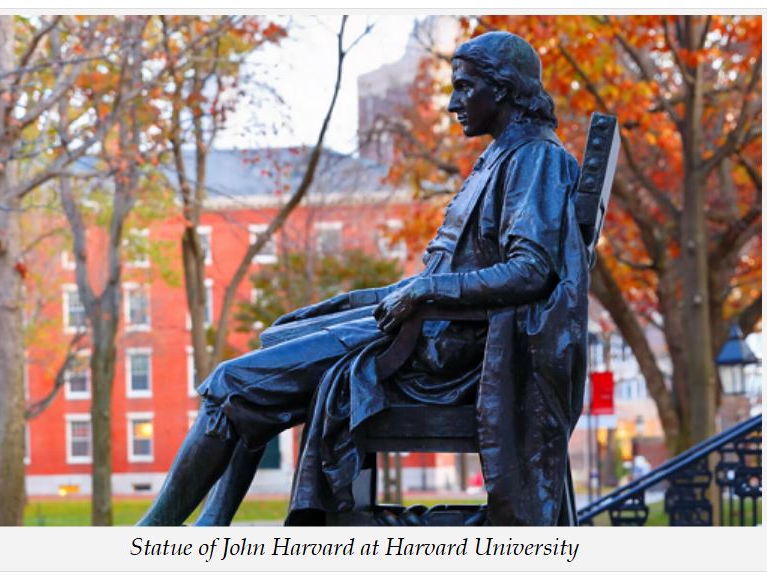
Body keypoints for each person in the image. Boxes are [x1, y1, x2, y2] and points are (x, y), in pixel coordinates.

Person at [138, 30, 590, 527]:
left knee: (233, 381)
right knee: (273, 341)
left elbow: (532, 272)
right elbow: (448, 272)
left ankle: (157, 534)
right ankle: (209, 526)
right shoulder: (507, 156)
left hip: (446, 355)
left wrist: (422, 289)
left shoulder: (535, 159)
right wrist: (362, 298)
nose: (452, 103)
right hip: (431, 331)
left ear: (501, 89)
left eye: (464, 88)